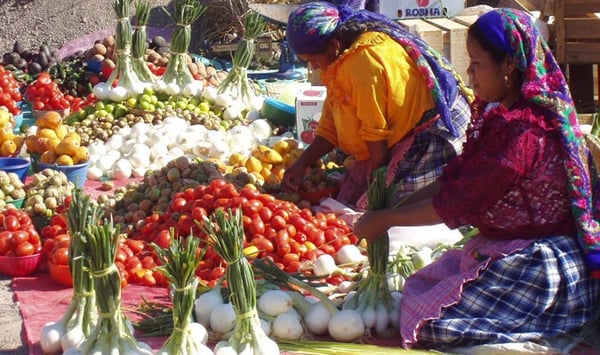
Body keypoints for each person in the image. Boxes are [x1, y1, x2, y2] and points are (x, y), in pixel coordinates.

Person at [354, 8, 600, 351]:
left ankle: (556, 338)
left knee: (435, 326)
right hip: (502, 248)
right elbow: (454, 178)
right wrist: (389, 210)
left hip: (539, 265)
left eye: (477, 64)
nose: (469, 75)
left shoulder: (525, 133)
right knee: (419, 288)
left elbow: (461, 201)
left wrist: (387, 219)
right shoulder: (497, 117)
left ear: (509, 67)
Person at [282, 1, 473, 211]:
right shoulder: (341, 61)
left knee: (383, 211)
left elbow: (377, 145)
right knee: (350, 200)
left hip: (434, 133)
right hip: (395, 134)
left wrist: (375, 192)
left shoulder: (360, 64)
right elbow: (330, 126)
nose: (313, 67)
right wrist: (302, 163)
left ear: (334, 46)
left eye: (312, 60)